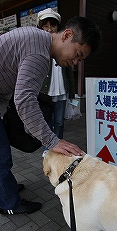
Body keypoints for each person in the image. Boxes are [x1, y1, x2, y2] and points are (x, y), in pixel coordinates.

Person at [0, 17, 102, 215]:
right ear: (67, 35)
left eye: (80, 60)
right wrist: (52, 140)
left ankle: (1, 188)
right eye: (77, 55)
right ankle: (9, 203)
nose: (75, 62)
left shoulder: (38, 40)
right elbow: (25, 99)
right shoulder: (39, 53)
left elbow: (23, 95)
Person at [37, 8, 75, 139]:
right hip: (44, 93)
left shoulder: (65, 46)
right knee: (46, 121)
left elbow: (69, 72)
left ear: (58, 27)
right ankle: (48, 148)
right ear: (40, 28)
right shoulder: (37, 47)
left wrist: (72, 93)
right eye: (45, 26)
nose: (49, 29)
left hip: (61, 91)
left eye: (52, 25)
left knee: (59, 122)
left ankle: (58, 145)